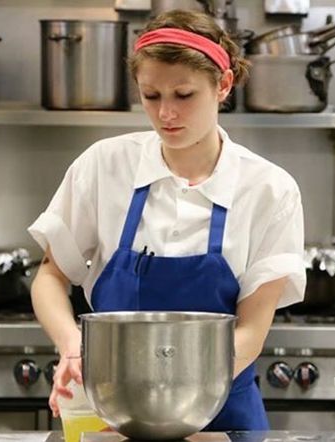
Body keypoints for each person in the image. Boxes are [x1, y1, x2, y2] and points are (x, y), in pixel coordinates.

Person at [28, 9, 306, 431]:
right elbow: (50, 277)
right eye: (151, 96)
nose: (166, 114)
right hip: (114, 413)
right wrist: (72, 346)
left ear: (223, 85)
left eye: (184, 95)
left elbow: (251, 330)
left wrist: (170, 400)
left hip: (222, 416)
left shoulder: (269, 189)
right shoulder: (103, 166)